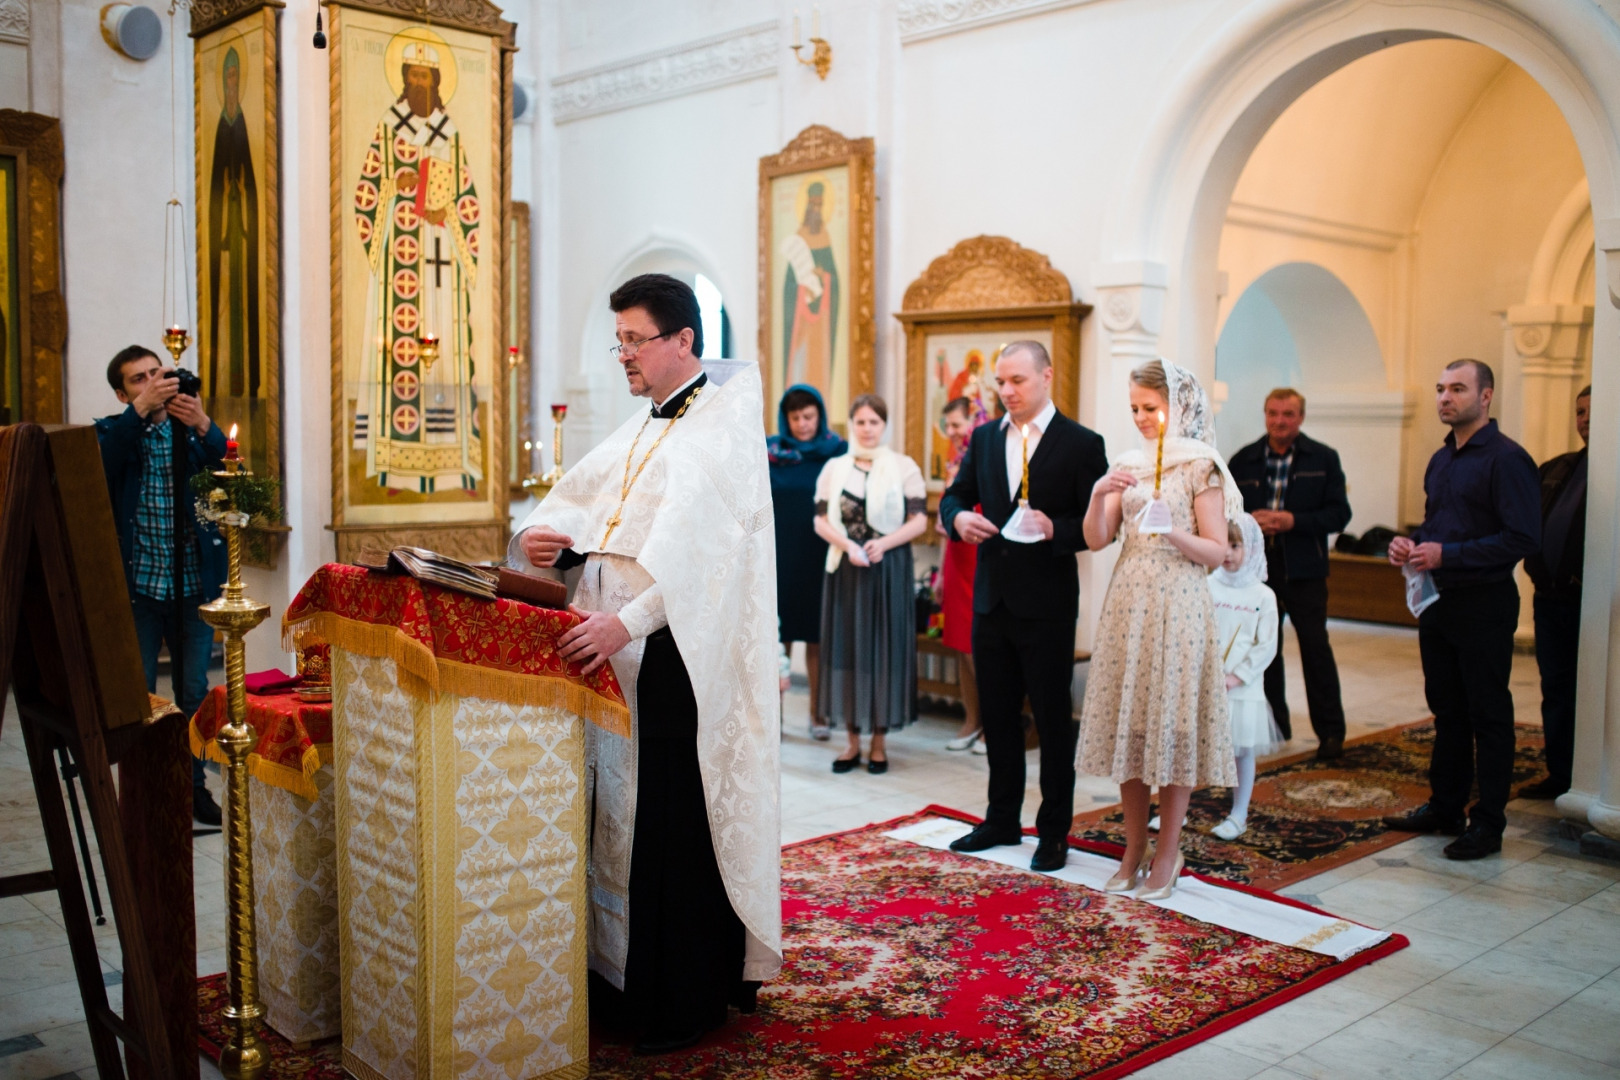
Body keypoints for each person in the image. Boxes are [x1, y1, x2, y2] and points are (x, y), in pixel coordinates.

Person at [508, 274, 781, 1053]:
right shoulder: (643, 427)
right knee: (616, 825)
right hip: (611, 660)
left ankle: (679, 995)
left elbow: (708, 563)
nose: (622, 355)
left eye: (635, 340)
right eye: (618, 340)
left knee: (670, 826)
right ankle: (618, 983)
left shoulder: (719, 429)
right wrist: (550, 545)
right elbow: (588, 512)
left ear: (684, 342)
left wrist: (624, 624)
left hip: (674, 662)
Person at [940, 341, 1109, 873]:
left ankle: (1054, 830)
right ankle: (1001, 818)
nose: (1007, 392)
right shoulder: (986, 437)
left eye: (1017, 381)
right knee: (998, 715)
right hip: (992, 599)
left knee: (1053, 720)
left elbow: (1098, 525)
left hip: (1049, 604)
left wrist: (1056, 528)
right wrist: (958, 520)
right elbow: (956, 495)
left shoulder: (1083, 444)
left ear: (1046, 376)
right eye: (1001, 383)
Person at [1077, 359, 1240, 899]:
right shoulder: (1128, 463)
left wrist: (1172, 531)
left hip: (1180, 603)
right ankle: (1132, 848)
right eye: (1135, 410)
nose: (1142, 418)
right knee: (1133, 727)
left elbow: (1216, 552)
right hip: (1129, 601)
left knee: (1170, 729)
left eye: (1151, 408)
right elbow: (1098, 539)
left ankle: (1168, 851)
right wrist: (1100, 493)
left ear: (1180, 406)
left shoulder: (1201, 467)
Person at [1383, 359, 1540, 860]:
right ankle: (1445, 806)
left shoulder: (1507, 459)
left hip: (1485, 601)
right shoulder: (1441, 459)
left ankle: (1487, 823)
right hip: (1441, 602)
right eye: (1439, 389)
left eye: (1456, 388)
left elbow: (1521, 538)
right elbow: (1438, 525)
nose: (1444, 398)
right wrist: (1412, 544)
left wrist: (1448, 554)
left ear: (1486, 396)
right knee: (1447, 710)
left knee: (1487, 712)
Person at [95, 346, 228, 826]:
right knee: (139, 695)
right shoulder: (116, 431)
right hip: (140, 589)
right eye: (138, 379)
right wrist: (140, 411)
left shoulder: (185, 434)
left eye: (158, 373)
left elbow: (227, 466)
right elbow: (100, 463)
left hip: (193, 584)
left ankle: (194, 789)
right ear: (121, 391)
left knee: (193, 692)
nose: (153, 383)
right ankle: (145, 793)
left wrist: (202, 424)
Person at [1227, 388, 1352, 758]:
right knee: (1266, 649)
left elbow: (1339, 514)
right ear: (1265, 415)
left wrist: (1293, 521)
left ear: (1301, 417)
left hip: (1306, 568)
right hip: (1258, 570)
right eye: (1273, 413)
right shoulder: (1244, 459)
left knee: (1315, 648)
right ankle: (1275, 726)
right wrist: (1251, 521)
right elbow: (1227, 513)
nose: (1279, 421)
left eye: (1288, 414)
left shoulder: (1323, 458)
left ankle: (1331, 733)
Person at [813, 394, 928, 773]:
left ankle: (878, 743)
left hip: (887, 566)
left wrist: (884, 543)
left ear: (884, 426)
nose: (866, 429)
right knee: (847, 649)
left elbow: (919, 521)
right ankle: (851, 743)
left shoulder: (903, 466)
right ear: (852, 424)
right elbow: (820, 521)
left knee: (884, 650)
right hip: (846, 567)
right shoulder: (835, 467)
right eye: (860, 422)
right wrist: (847, 545)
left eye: (874, 422)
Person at [1521, 385, 1589, 800]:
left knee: (1593, 692)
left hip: (1592, 603)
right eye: (1579, 411)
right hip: (1550, 599)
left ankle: (1589, 776)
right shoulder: (1558, 467)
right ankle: (1560, 772)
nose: (1585, 419)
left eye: (1593, 411)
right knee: (1556, 688)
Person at [768, 384, 846, 738]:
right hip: (778, 556)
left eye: (809, 416)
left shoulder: (837, 452)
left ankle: (819, 715)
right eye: (795, 417)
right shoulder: (770, 452)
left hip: (819, 555)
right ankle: (775, 717)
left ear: (820, 416)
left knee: (817, 638)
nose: (802, 424)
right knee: (777, 638)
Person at [1207, 515, 1282, 841]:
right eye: (1223, 544)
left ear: (1250, 547)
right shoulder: (1208, 584)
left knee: (1241, 751)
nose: (1228, 553)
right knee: (1196, 748)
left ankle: (1238, 815)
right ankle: (1177, 811)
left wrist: (1237, 675)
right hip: (1207, 683)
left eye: (1235, 545)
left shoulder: (1263, 595)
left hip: (1241, 687)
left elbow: (1267, 645)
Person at [936, 396, 989, 752]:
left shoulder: (988, 457)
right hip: (956, 557)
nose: (952, 432)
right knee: (959, 644)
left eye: (957, 424)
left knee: (981, 648)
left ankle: (991, 725)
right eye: (948, 425)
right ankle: (970, 720)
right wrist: (940, 573)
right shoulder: (955, 464)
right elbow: (945, 521)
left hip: (981, 556)